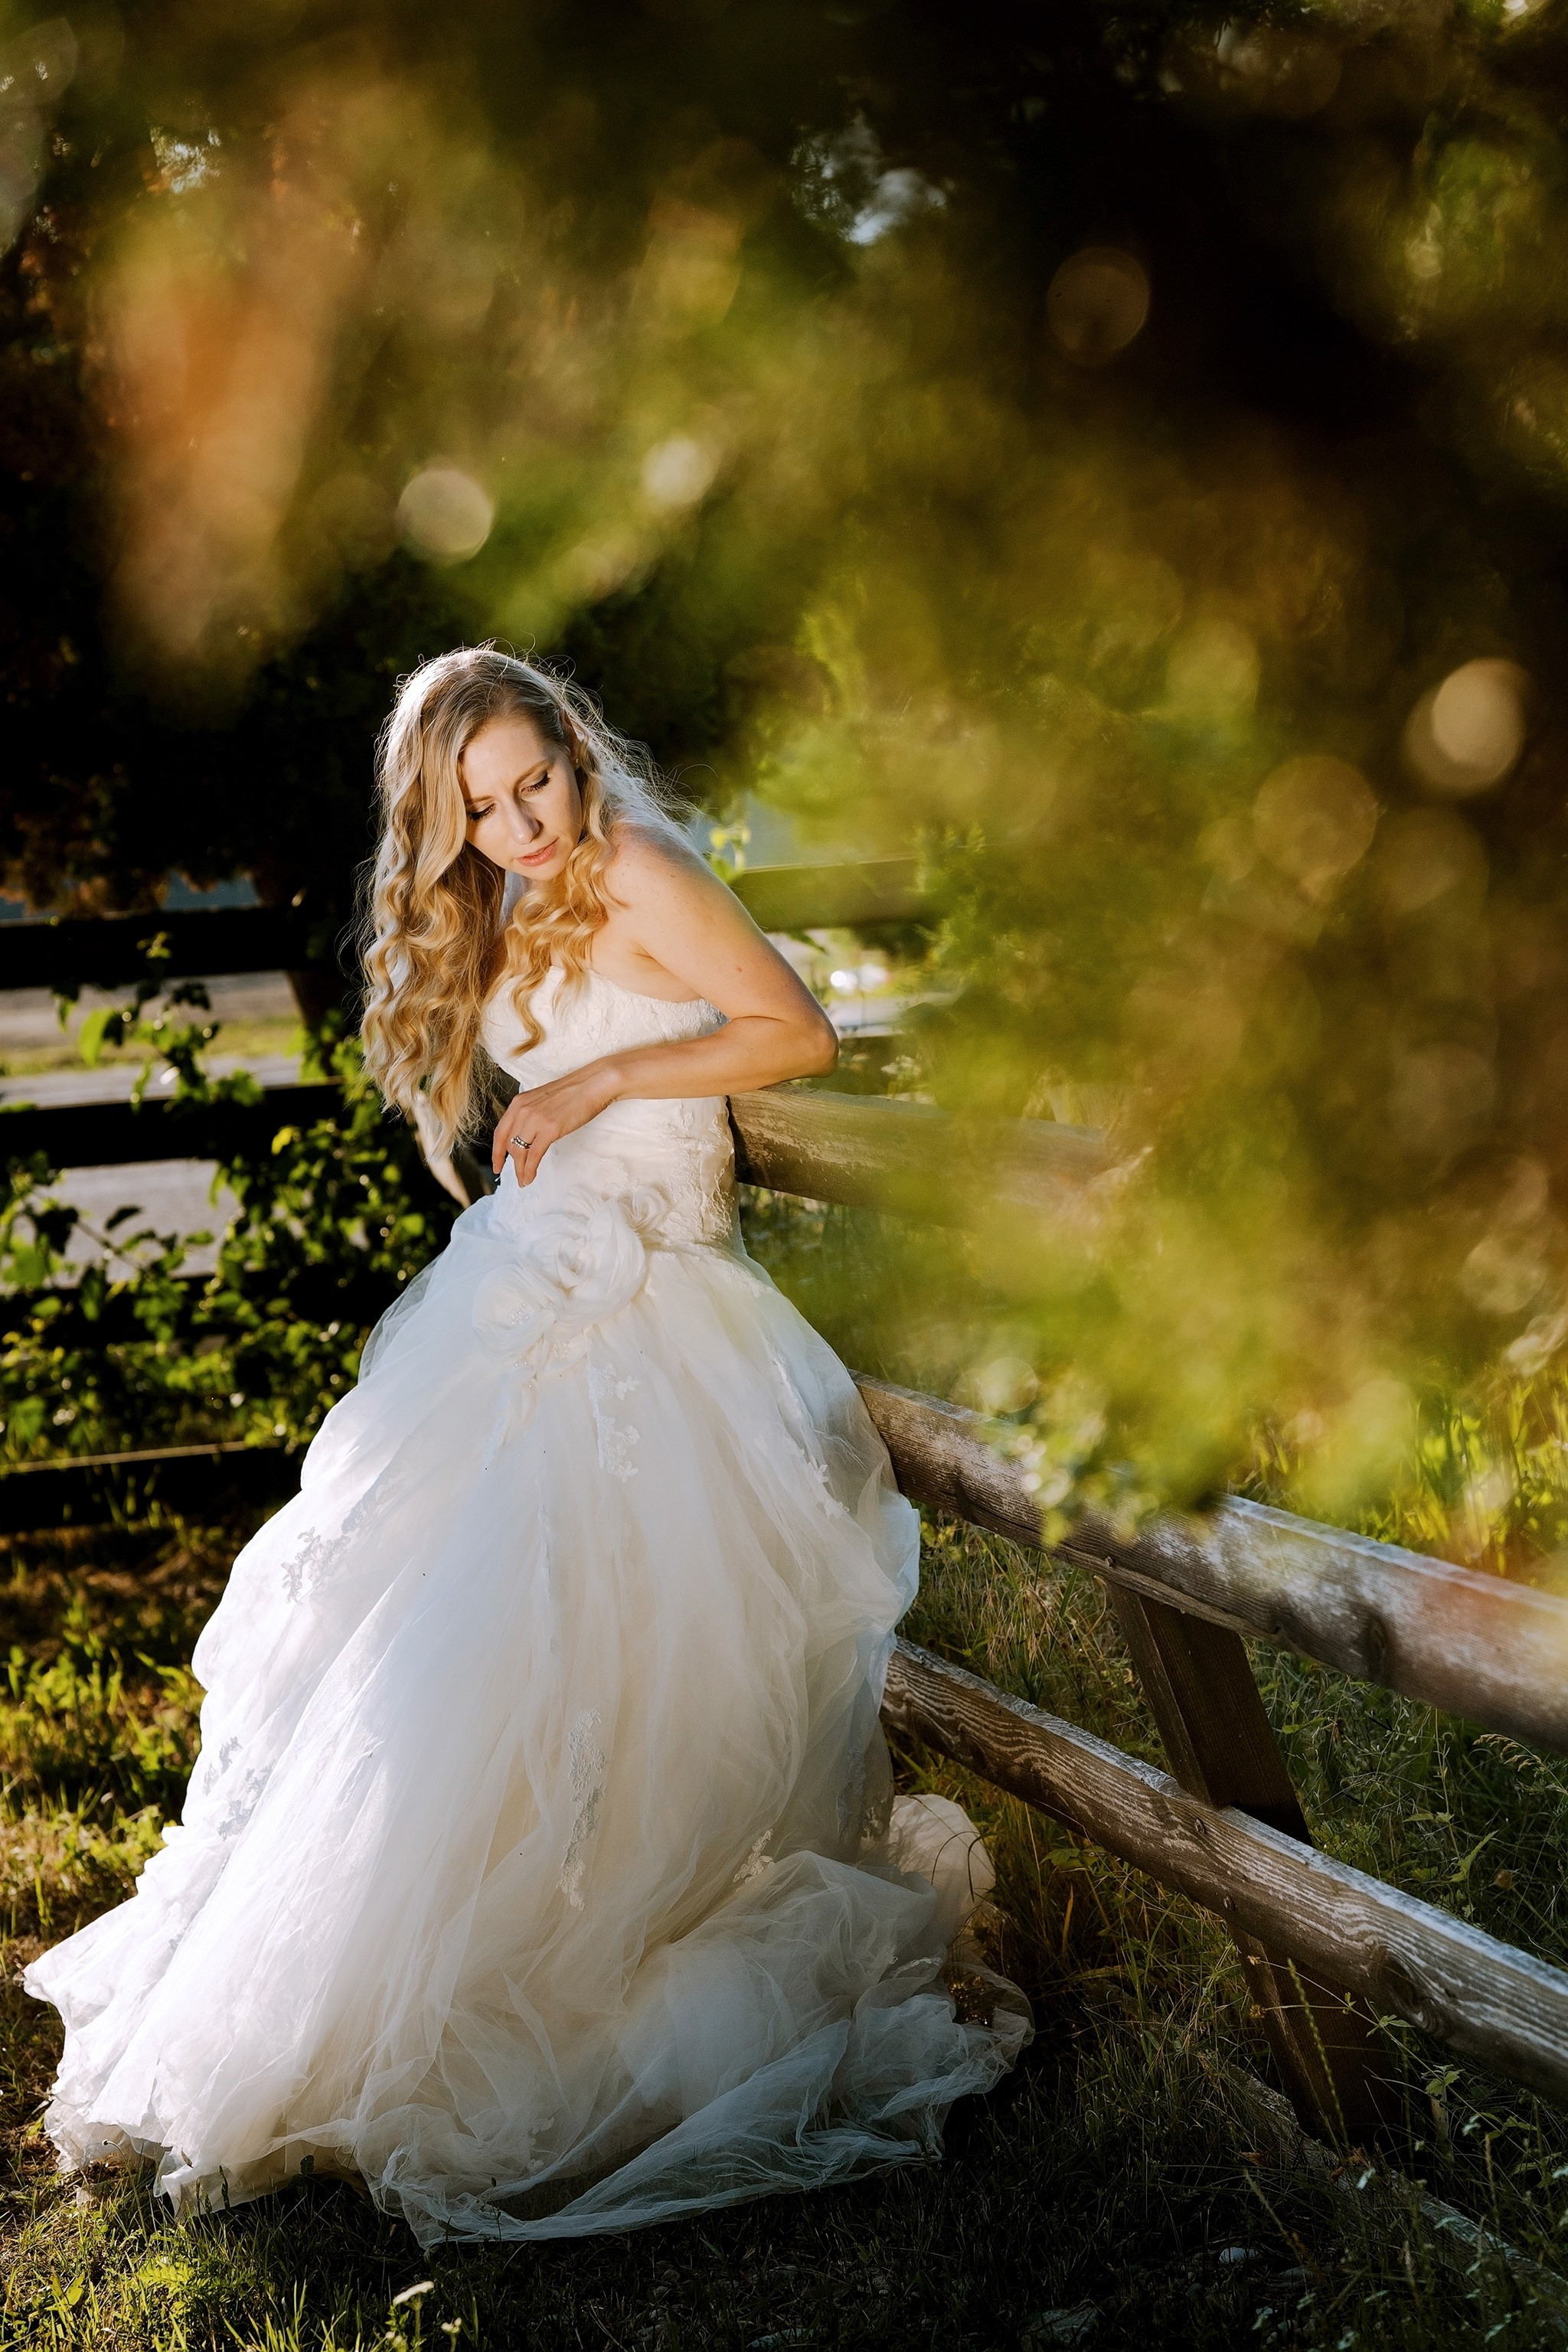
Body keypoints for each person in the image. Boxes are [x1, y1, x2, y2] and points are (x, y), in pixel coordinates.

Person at [24, 647, 1028, 2244]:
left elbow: (795, 1031)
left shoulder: (635, 858)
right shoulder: (504, 899)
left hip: (653, 1298)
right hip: (533, 1287)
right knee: (456, 1645)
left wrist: (612, 1072)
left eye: (530, 780)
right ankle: (418, 1978)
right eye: (478, 809)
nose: (518, 825)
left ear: (575, 746)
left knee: (629, 1647)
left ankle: (601, 1949)